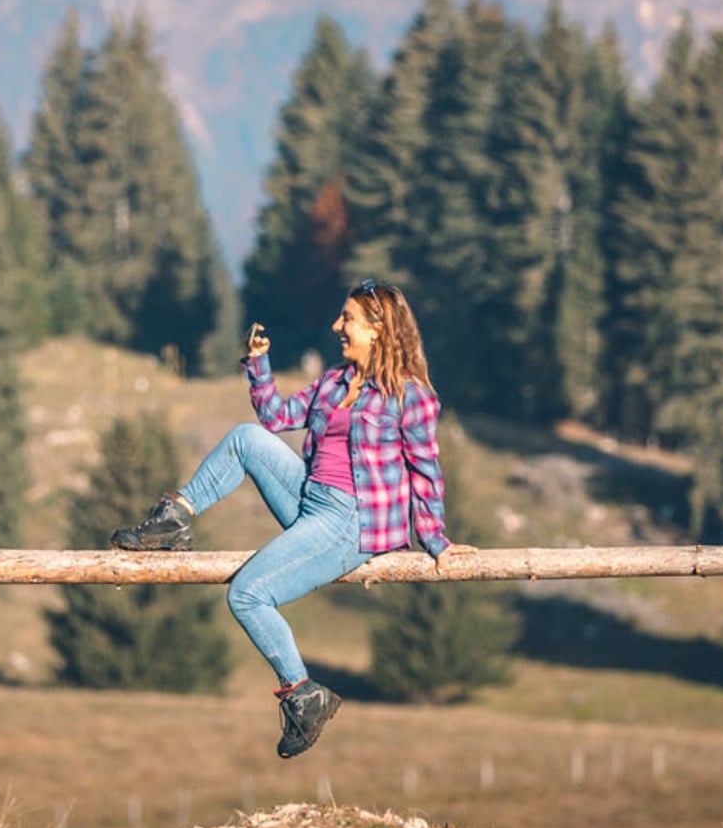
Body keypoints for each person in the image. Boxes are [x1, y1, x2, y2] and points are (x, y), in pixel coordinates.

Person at [110, 279, 475, 757]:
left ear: (378, 329)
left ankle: (303, 694)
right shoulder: (334, 382)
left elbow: (426, 471)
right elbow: (276, 418)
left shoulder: (411, 396)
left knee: (247, 595)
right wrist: (258, 364)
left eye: (347, 319)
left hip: (351, 520)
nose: (336, 326)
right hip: (309, 496)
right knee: (246, 438)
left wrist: (436, 540)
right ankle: (174, 517)